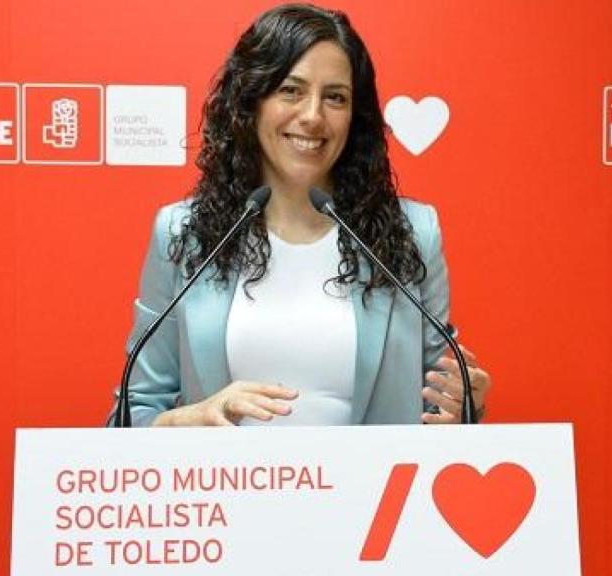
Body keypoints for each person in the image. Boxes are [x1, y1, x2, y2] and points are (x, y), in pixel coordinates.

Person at [109, 4, 490, 427]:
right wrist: (189, 420)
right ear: (251, 102)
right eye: (291, 90)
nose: (312, 116)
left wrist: (463, 408)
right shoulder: (184, 234)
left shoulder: (411, 234)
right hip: (228, 491)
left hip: (372, 492)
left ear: (355, 116)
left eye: (335, 97)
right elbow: (131, 415)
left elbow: (440, 405)